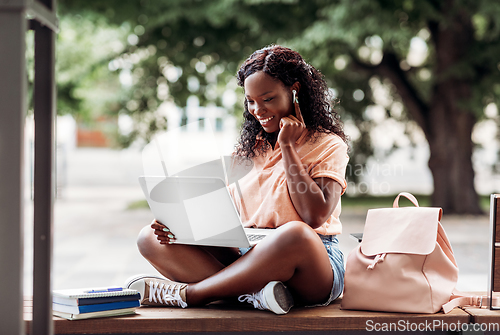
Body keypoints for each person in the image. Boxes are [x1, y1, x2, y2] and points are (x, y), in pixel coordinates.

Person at [125, 45, 349, 314]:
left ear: (295, 91)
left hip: (310, 262)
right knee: (149, 237)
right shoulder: (250, 148)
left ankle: (193, 294)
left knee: (295, 233)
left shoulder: (328, 144)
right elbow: (230, 219)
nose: (258, 109)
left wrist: (287, 146)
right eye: (251, 101)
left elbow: (314, 216)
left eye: (268, 99)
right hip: (247, 252)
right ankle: (257, 295)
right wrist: (183, 225)